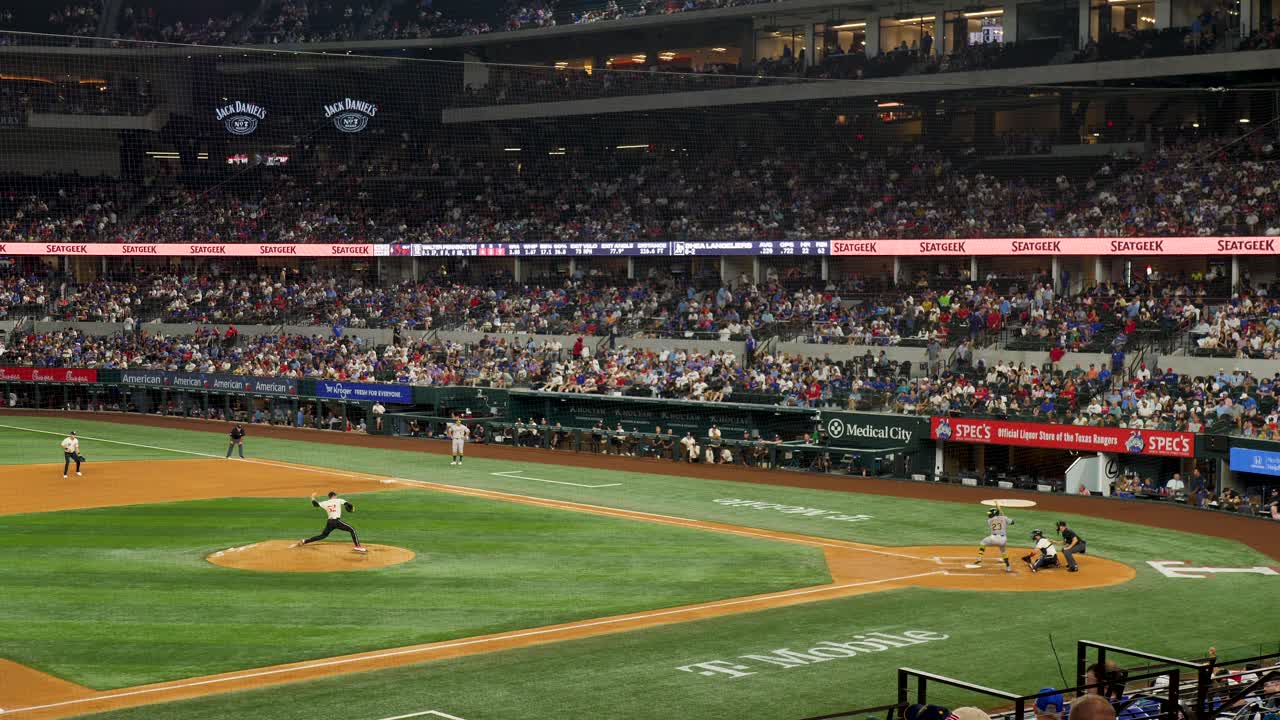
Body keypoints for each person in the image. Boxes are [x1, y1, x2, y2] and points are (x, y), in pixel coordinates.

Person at [293, 491, 365, 552]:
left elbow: (315, 504)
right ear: (334, 496)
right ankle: (358, 546)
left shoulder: (326, 503)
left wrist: (312, 497)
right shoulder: (339, 500)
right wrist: (351, 508)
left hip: (330, 522)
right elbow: (348, 504)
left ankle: (304, 541)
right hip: (336, 522)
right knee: (352, 529)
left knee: (323, 535)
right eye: (336, 496)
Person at [967, 506, 1015, 572]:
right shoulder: (1004, 518)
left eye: (990, 513)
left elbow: (997, 520)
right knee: (1003, 552)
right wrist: (1006, 518)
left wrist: (1003, 518)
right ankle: (1008, 567)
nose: (989, 514)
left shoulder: (989, 520)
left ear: (994, 513)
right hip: (1003, 539)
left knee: (983, 542)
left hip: (994, 538)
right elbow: (1013, 522)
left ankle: (979, 558)